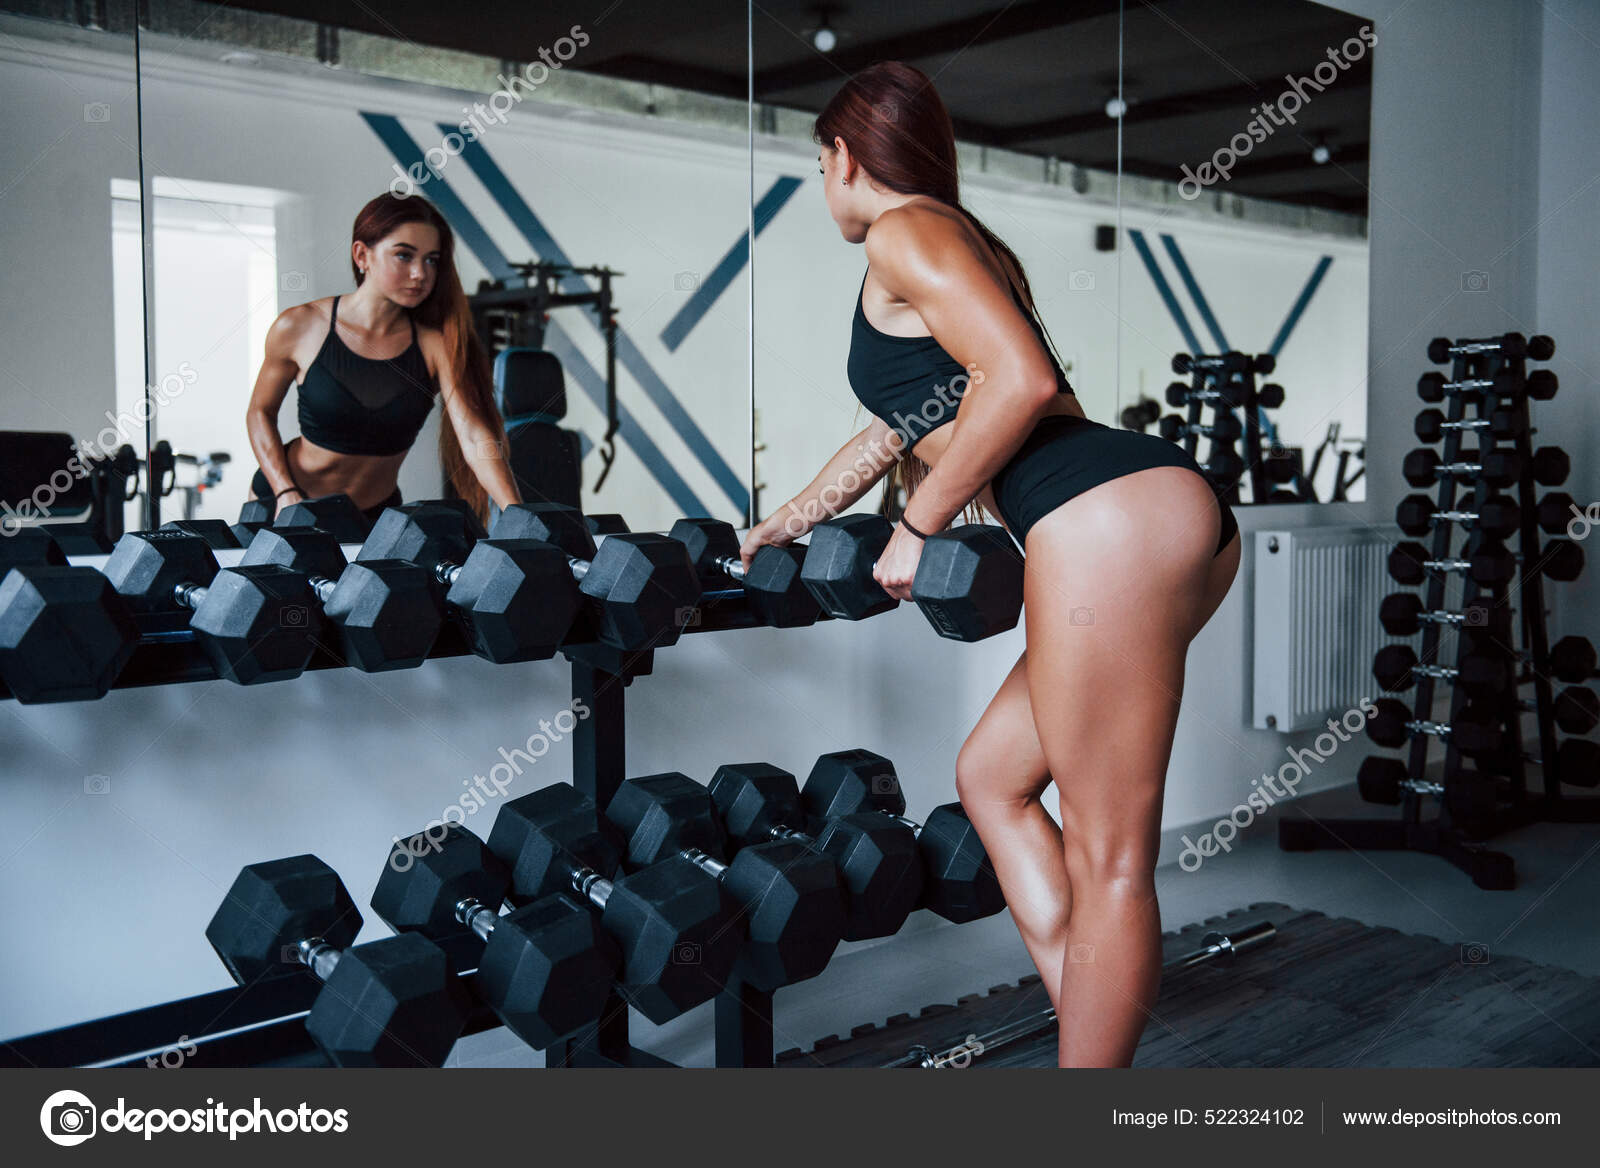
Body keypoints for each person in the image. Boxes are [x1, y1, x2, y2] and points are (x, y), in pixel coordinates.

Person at [739, 62, 1241, 1068]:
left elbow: (1020, 381)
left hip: (1102, 518)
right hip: (1139, 512)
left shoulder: (902, 232)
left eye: (820, 165)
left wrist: (916, 527)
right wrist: (785, 519)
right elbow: (899, 427)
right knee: (991, 778)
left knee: (1108, 857)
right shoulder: (947, 243)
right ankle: (1091, 1029)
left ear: (840, 157)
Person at [245, 192, 519, 527]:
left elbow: (475, 437)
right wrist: (284, 491)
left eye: (432, 260)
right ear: (362, 255)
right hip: (287, 505)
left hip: (374, 518)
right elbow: (260, 412)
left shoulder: (436, 346)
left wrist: (517, 512)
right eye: (404, 256)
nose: (420, 273)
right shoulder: (300, 326)